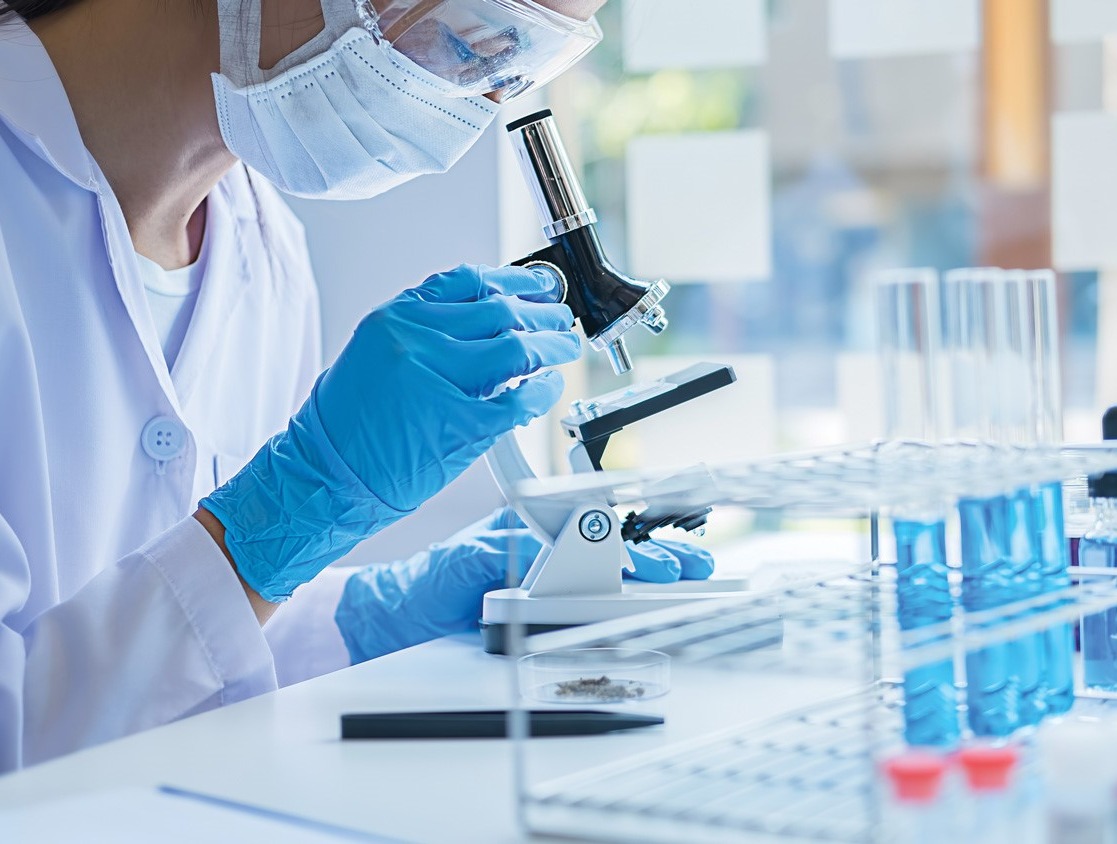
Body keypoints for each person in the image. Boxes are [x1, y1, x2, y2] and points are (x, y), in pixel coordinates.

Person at [0, 0, 715, 771]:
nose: (491, 97)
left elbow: (212, 641)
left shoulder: (259, 240)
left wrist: (378, 609)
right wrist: (287, 514)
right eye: (476, 33)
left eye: (527, 60)